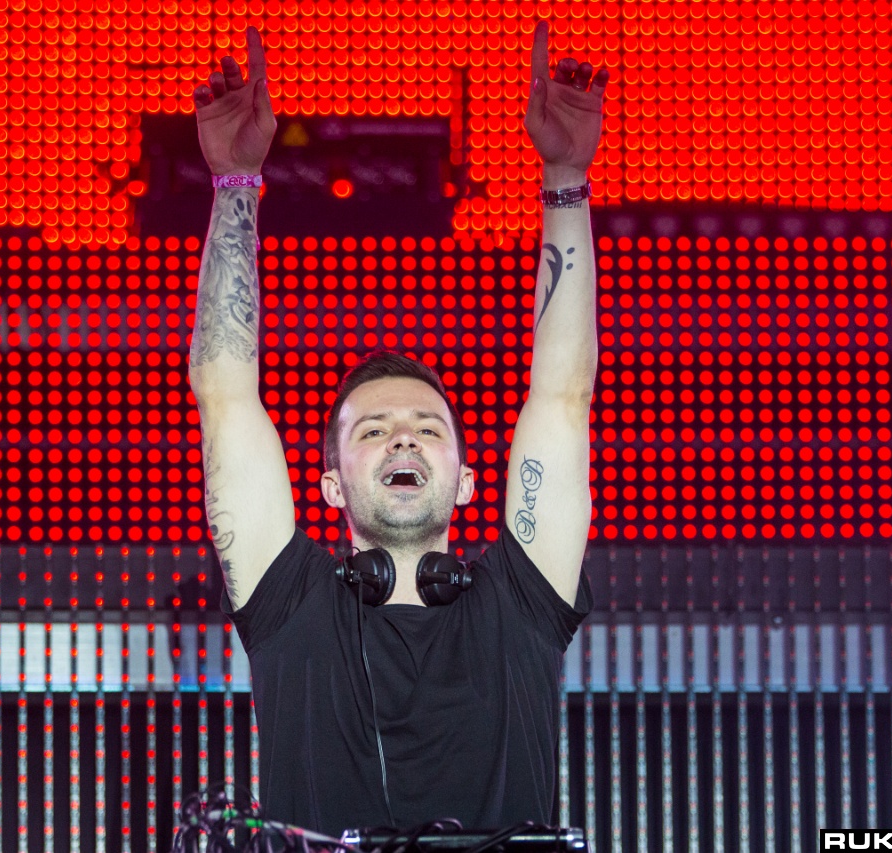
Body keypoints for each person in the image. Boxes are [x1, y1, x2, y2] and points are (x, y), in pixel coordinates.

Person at [189, 20, 609, 834]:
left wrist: (565, 179)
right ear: (329, 484)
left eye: (426, 427)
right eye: (373, 430)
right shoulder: (291, 602)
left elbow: (562, 395)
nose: (404, 438)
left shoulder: (521, 600)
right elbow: (226, 394)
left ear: (470, 479)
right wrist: (235, 184)